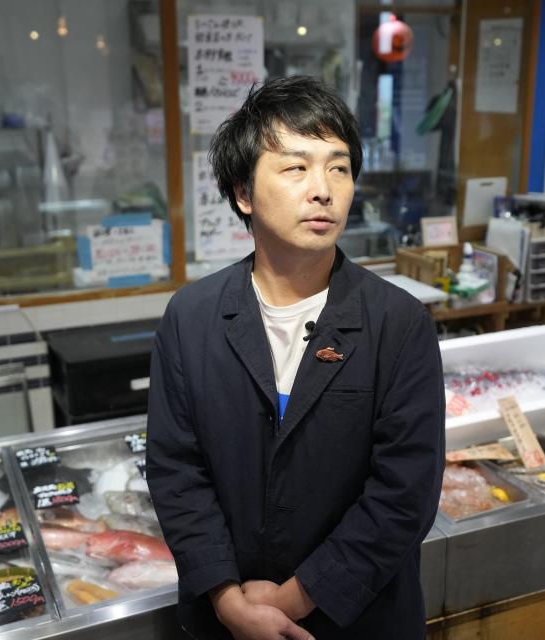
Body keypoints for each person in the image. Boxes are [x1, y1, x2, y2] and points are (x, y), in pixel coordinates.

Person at [146, 76, 446, 640]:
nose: (323, 189)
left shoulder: (398, 323)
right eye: (295, 167)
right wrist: (227, 599)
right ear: (243, 194)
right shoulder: (191, 318)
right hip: (224, 620)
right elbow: (175, 470)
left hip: (356, 619)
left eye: (339, 167)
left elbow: (405, 492)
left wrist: (293, 598)